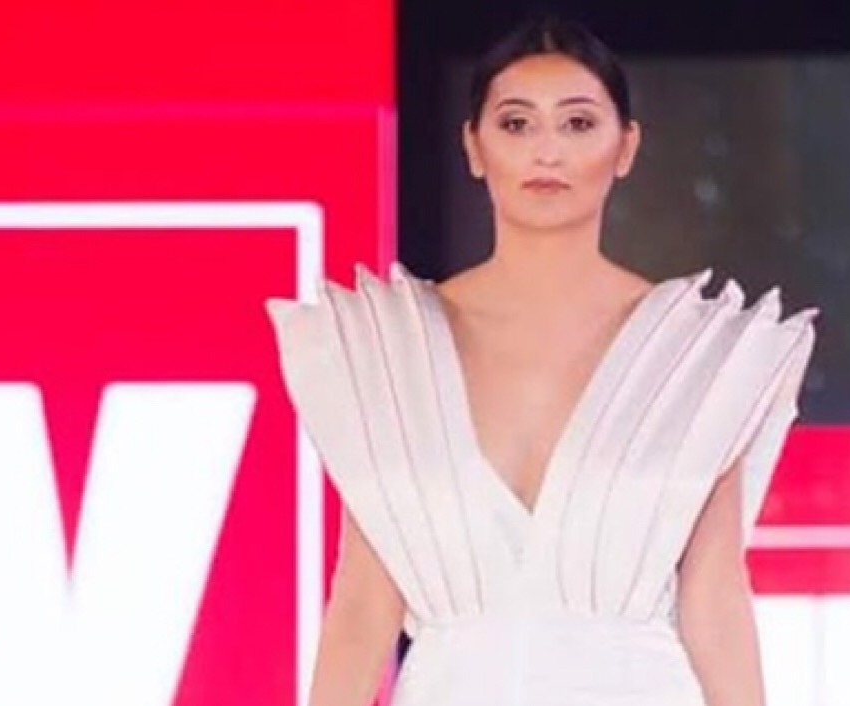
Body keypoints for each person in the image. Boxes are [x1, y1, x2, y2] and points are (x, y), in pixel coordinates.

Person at [265, 14, 818, 706]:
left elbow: (715, 599)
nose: (546, 151)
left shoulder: (695, 355)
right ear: (474, 146)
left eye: (578, 123)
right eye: (517, 123)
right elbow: (362, 602)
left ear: (626, 146)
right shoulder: (391, 349)